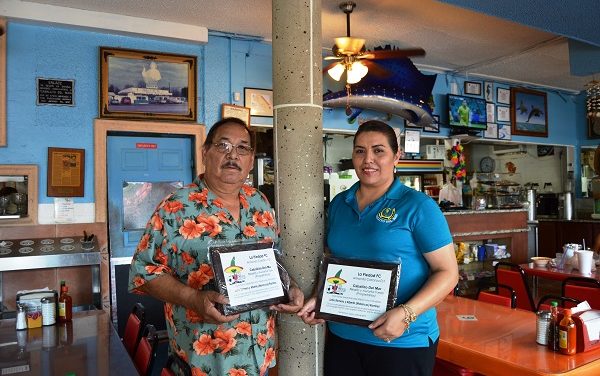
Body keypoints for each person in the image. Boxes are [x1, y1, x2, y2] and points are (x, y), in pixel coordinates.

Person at [129, 117, 304, 376]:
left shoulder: (260, 202)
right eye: (223, 146)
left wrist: (290, 287)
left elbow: (272, 258)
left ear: (250, 158)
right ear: (205, 153)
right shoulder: (176, 207)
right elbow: (143, 273)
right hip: (204, 363)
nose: (233, 155)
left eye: (242, 148)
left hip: (259, 355)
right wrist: (193, 298)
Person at [298, 120, 458, 376]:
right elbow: (335, 260)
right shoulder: (340, 203)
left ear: (397, 157)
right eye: (360, 150)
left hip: (400, 340)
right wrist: (324, 298)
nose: (368, 159)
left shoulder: (418, 206)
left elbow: (448, 272)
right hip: (343, 336)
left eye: (378, 150)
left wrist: (407, 313)